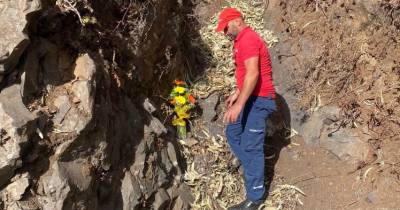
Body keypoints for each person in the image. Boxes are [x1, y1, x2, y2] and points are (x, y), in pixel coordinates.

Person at [216, 7, 277, 210]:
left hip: (260, 100)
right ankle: (254, 166)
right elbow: (246, 76)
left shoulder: (248, 38)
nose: (225, 33)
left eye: (225, 28)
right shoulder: (240, 41)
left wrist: (240, 103)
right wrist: (238, 92)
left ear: (236, 21)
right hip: (251, 97)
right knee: (233, 131)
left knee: (251, 147)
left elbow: (253, 73)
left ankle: (255, 198)